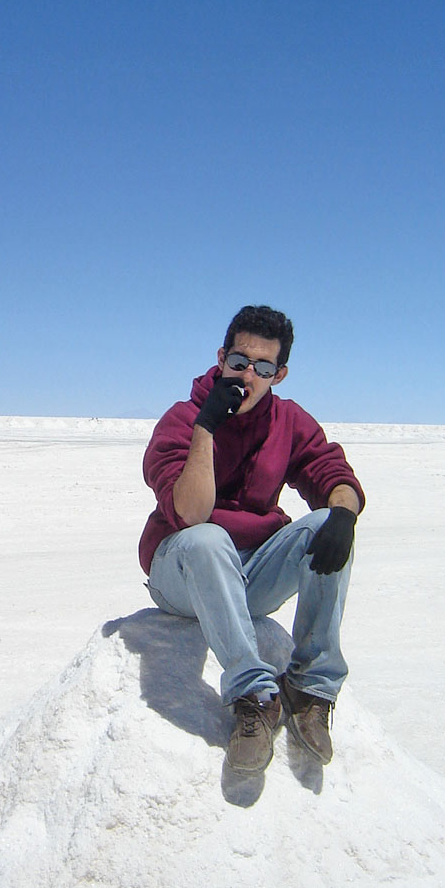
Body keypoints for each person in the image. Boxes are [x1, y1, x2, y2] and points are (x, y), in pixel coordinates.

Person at [139, 304, 365, 773]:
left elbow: (331, 472)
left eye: (263, 367)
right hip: (181, 572)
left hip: (249, 577)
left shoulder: (288, 422)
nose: (249, 374)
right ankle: (253, 694)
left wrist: (343, 512)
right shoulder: (182, 421)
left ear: (279, 374)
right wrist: (207, 426)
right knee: (208, 538)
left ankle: (310, 686)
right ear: (222, 359)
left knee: (330, 522)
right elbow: (189, 514)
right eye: (240, 362)